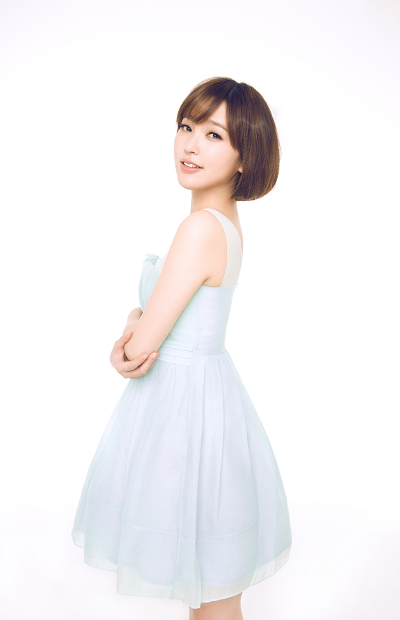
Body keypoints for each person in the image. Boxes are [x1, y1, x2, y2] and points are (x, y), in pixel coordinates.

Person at [72, 76, 292, 620]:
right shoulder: (222, 224)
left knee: (211, 600)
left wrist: (131, 324)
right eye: (187, 127)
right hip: (203, 403)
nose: (191, 145)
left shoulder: (200, 229)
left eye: (214, 135)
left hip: (184, 415)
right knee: (208, 594)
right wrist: (139, 327)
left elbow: (139, 348)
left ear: (245, 157)